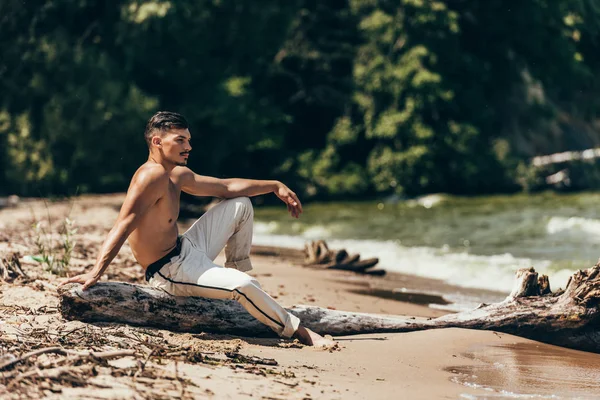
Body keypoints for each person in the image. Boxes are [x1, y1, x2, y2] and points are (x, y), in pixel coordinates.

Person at [59, 111, 334, 346]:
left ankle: (232, 285)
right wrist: (96, 271)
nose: (188, 146)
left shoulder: (176, 174)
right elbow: (123, 223)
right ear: (157, 141)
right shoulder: (150, 176)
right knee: (246, 286)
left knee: (240, 204)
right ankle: (299, 331)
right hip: (169, 271)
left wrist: (275, 185)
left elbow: (226, 187)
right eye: (180, 140)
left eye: (188, 140)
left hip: (186, 248)